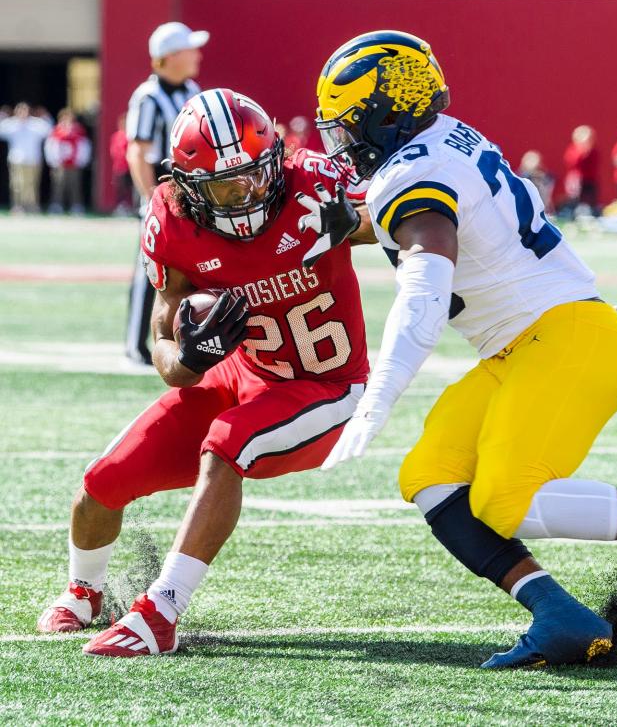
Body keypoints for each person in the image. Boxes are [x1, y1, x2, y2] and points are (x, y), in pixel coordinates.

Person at [309, 30, 617, 669]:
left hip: (564, 339)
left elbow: (423, 291)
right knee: (431, 476)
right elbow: (418, 215)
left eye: (350, 124)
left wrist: (382, 393)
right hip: (525, 344)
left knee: (503, 499)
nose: (343, 140)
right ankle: (559, 615)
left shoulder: (415, 175)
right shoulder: (442, 141)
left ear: (388, 112)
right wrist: (342, 224)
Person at [37, 89, 372, 657]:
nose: (244, 197)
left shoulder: (314, 179)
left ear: (275, 161)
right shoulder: (170, 216)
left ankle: (160, 611)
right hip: (244, 372)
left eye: (254, 178)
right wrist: (189, 358)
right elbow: (164, 347)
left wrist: (360, 222)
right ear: (191, 189)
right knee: (101, 483)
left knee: (226, 443)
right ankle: (86, 590)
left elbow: (413, 217)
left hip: (327, 384)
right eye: (224, 187)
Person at [124, 22, 208, 366]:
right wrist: (149, 200)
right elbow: (137, 151)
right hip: (161, 196)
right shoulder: (148, 96)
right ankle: (135, 344)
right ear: (170, 56)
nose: (197, 55)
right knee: (150, 272)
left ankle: (182, 338)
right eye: (190, 49)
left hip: (189, 197)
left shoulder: (191, 89)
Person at [0, 103, 53, 213]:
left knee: (31, 185)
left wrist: (45, 116)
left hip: (33, 160)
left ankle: (32, 207)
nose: (22, 113)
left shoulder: (35, 124)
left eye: (24, 110)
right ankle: (18, 206)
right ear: (16, 112)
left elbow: (49, 130)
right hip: (17, 160)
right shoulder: (12, 124)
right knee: (17, 184)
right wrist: (2, 116)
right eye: (20, 110)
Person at [44, 108, 91, 215]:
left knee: (75, 185)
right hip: (59, 163)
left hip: (74, 163)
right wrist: (52, 160)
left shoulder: (78, 130)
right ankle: (56, 205)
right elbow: (50, 146)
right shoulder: (56, 130)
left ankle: (76, 205)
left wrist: (82, 160)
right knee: (58, 185)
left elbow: (84, 146)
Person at [560, 124, 599, 217]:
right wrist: (582, 152)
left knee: (590, 199)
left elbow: (594, 164)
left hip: (589, 179)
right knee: (574, 199)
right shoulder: (573, 150)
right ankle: (572, 215)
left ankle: (590, 215)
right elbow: (572, 163)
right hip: (576, 180)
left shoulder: (593, 151)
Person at [109, 114, 134, 215]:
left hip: (129, 167)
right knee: (120, 188)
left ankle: (129, 207)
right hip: (119, 167)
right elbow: (114, 151)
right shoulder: (116, 136)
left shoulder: (130, 136)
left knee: (129, 188)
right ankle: (120, 207)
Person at [517, 150, 555, 214]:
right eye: (529, 160)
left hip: (541, 210)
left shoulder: (544, 178)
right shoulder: (518, 178)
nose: (531, 163)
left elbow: (544, 199)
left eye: (533, 161)